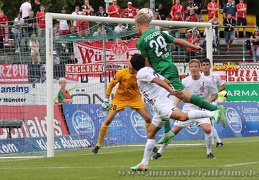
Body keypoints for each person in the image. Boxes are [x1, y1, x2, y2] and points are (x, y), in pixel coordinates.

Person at [134, 11, 225, 144]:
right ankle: (167, 132)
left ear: (138, 24)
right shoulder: (159, 33)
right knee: (163, 100)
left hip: (163, 71)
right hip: (170, 67)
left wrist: (149, 77)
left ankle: (215, 110)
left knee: (185, 96)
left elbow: (147, 64)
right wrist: (193, 46)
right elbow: (178, 41)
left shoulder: (141, 42)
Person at [130, 55, 223, 171]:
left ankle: (212, 114)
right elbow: (166, 80)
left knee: (183, 117)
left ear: (133, 65)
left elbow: (157, 80)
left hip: (161, 104)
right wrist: (171, 85)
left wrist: (171, 91)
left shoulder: (141, 73)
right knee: (150, 133)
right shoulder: (149, 70)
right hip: (159, 106)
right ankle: (144, 163)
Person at [150, 59, 224, 164]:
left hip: (201, 110)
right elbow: (180, 95)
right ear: (189, 69)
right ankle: (160, 152)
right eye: (191, 67)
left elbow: (215, 93)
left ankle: (209, 152)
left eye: (195, 67)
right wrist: (174, 106)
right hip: (188, 109)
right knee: (173, 132)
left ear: (200, 68)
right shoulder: (185, 81)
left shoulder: (207, 81)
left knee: (207, 129)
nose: (193, 69)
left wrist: (207, 102)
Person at [92, 57, 155, 154]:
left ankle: (151, 143)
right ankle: (98, 144)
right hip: (119, 100)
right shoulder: (121, 73)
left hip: (135, 99)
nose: (130, 63)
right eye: (129, 61)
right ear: (128, 63)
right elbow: (111, 85)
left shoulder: (141, 74)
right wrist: (106, 98)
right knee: (108, 120)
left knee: (148, 118)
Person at [201, 58, 226, 147]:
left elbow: (223, 86)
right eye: (203, 65)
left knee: (208, 121)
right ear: (201, 67)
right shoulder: (199, 76)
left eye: (207, 65)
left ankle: (212, 142)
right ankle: (218, 141)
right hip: (202, 102)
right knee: (207, 122)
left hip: (212, 101)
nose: (205, 66)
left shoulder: (215, 76)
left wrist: (215, 91)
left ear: (210, 66)